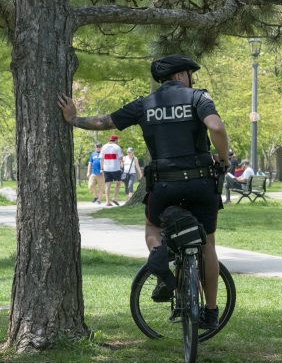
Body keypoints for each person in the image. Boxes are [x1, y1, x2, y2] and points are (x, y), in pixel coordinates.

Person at [58, 54, 229, 330]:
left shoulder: (145, 104)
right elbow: (216, 127)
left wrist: (74, 119)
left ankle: (159, 253)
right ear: (179, 76)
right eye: (189, 73)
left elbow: (105, 122)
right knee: (207, 243)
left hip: (163, 183)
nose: (192, 78)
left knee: (152, 228)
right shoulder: (199, 98)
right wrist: (222, 159)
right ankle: (210, 312)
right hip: (199, 181)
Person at [100, 134, 124, 206]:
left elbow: (101, 159)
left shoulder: (103, 147)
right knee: (118, 183)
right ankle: (115, 198)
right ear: (116, 140)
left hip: (106, 168)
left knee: (107, 185)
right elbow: (120, 158)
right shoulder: (117, 147)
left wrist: (101, 169)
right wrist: (122, 156)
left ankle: (107, 202)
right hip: (116, 168)